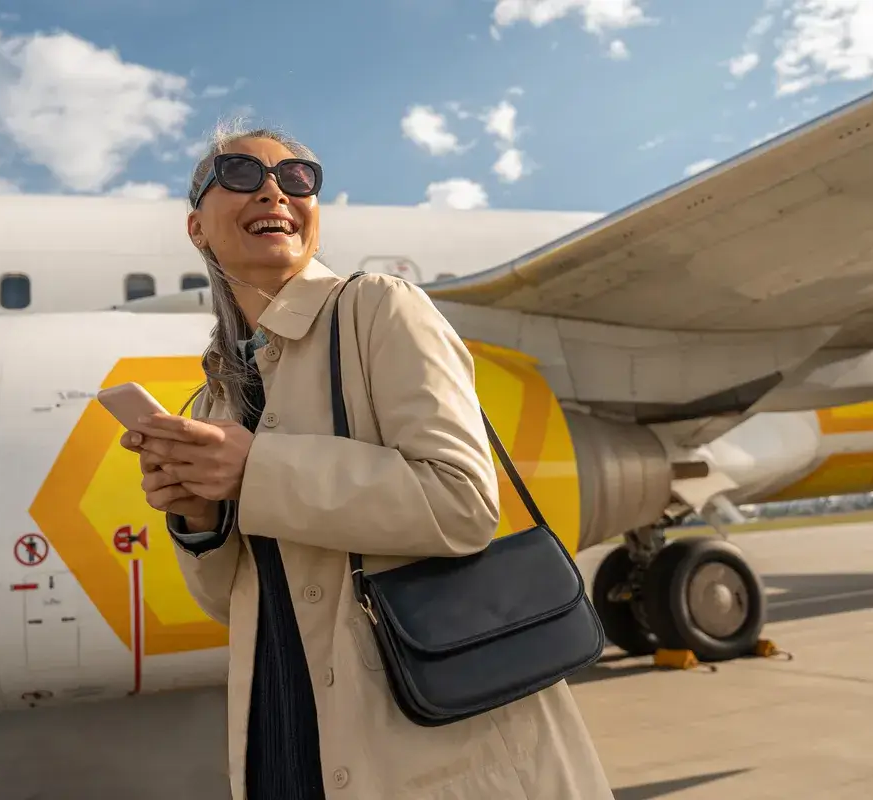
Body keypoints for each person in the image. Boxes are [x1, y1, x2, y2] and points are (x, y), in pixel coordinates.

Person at [120, 120, 616, 800]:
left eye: (297, 179)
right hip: (281, 727)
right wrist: (200, 519)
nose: (273, 191)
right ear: (196, 228)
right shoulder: (212, 401)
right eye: (240, 175)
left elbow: (462, 505)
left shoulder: (380, 308)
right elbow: (229, 602)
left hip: (426, 738)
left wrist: (256, 471)